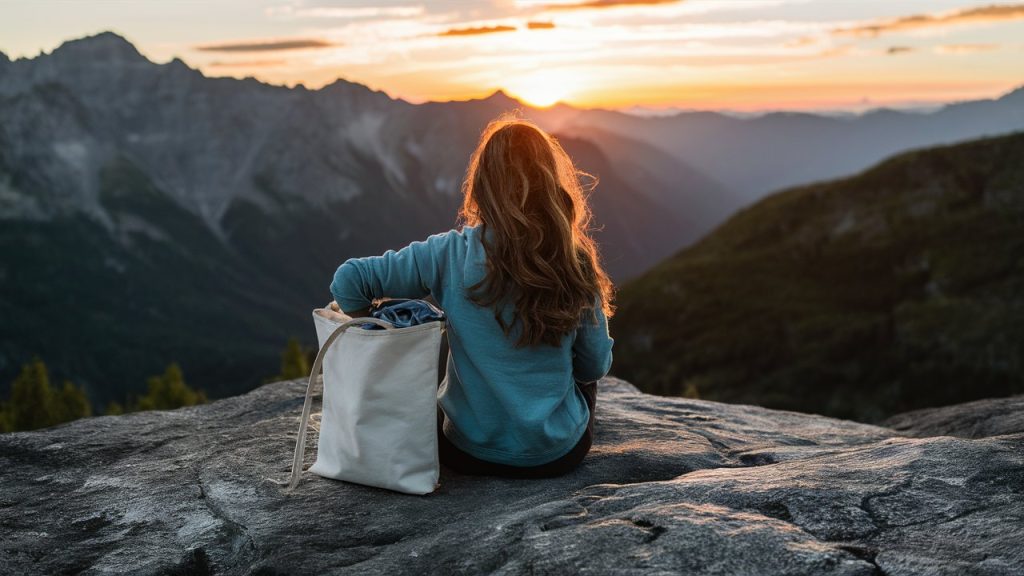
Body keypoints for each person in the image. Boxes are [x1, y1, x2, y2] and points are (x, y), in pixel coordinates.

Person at [329, 115, 615, 478]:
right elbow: (594, 366)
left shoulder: (447, 253)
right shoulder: (574, 262)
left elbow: (347, 282)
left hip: (464, 451)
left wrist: (381, 328)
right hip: (555, 456)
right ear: (550, 183)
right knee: (584, 380)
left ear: (482, 185)